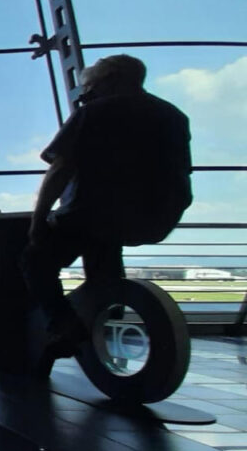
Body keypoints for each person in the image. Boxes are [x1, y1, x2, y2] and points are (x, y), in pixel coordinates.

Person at [23, 54, 192, 354]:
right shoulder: (173, 116)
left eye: (90, 86)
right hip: (153, 216)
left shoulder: (95, 113)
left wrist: (39, 220)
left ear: (113, 80)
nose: (86, 94)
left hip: (92, 214)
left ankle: (66, 326)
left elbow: (60, 169)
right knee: (103, 250)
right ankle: (106, 309)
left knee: (36, 262)